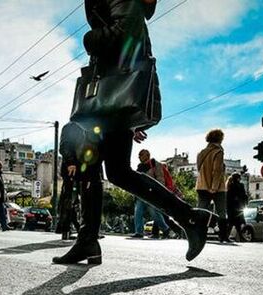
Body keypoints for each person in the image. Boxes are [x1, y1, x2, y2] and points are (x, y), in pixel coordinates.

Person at [53, 0, 211, 265]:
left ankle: (89, 239)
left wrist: (91, 39)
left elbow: (125, 32)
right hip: (113, 95)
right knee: (115, 171)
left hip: (110, 94)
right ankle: (188, 218)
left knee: (95, 167)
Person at [196, 129, 229, 243]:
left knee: (201, 211)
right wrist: (214, 187)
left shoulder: (201, 153)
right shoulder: (218, 151)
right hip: (217, 188)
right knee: (221, 212)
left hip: (201, 185)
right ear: (220, 139)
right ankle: (223, 236)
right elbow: (217, 170)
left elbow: (199, 168)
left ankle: (199, 234)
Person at [132, 149, 171, 239]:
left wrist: (156, 192)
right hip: (140, 194)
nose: (139, 157)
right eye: (139, 155)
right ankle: (139, 232)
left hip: (151, 194)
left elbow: (161, 180)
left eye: (141, 154)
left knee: (154, 213)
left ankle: (165, 229)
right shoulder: (140, 167)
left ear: (147, 155)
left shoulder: (155, 164)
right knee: (138, 212)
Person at [225, 172, 248, 242]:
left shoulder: (230, 185)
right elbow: (243, 195)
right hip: (237, 207)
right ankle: (228, 236)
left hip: (232, 208)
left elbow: (228, 198)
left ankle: (227, 236)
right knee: (234, 223)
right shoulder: (239, 185)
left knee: (233, 223)